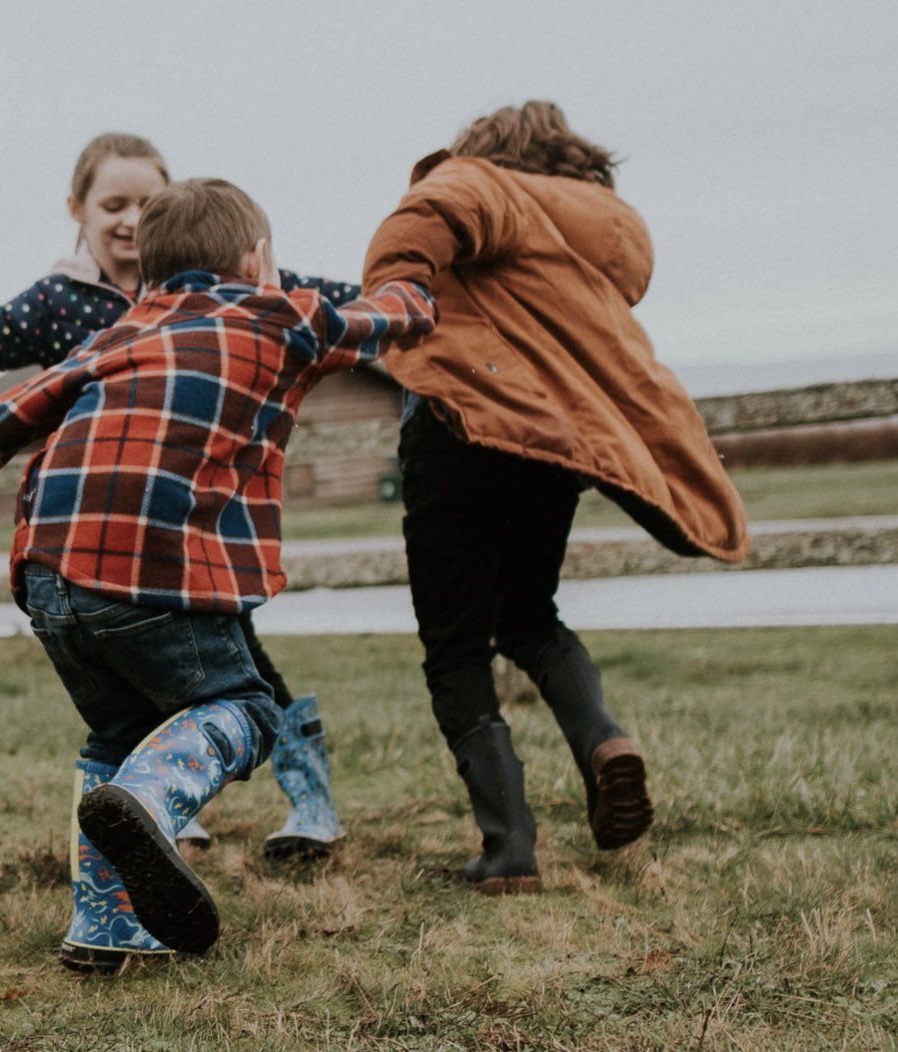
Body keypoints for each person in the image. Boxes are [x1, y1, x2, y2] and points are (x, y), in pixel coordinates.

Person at [0, 179, 433, 970]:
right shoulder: (280, 314)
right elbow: (389, 319)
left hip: (48, 575)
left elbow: (3, 418)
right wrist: (419, 279)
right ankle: (152, 803)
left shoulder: (119, 329)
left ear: (150, 272)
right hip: (152, 566)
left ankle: (105, 927)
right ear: (258, 259)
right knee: (245, 709)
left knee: (117, 733)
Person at [0, 133, 354, 865]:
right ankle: (161, 804)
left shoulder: (227, 288)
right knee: (181, 684)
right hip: (100, 542)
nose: (129, 219)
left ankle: (304, 798)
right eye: (112, 204)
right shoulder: (61, 304)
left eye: (146, 203)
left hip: (198, 528)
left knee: (239, 667)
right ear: (77, 210)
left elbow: (333, 303)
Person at [360, 101, 751, 892]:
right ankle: (603, 740)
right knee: (528, 613)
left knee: (455, 645)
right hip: (552, 444)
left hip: (461, 427)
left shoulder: (491, 187)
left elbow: (432, 208)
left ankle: (507, 851)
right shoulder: (590, 236)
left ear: (492, 152)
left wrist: (395, 291)